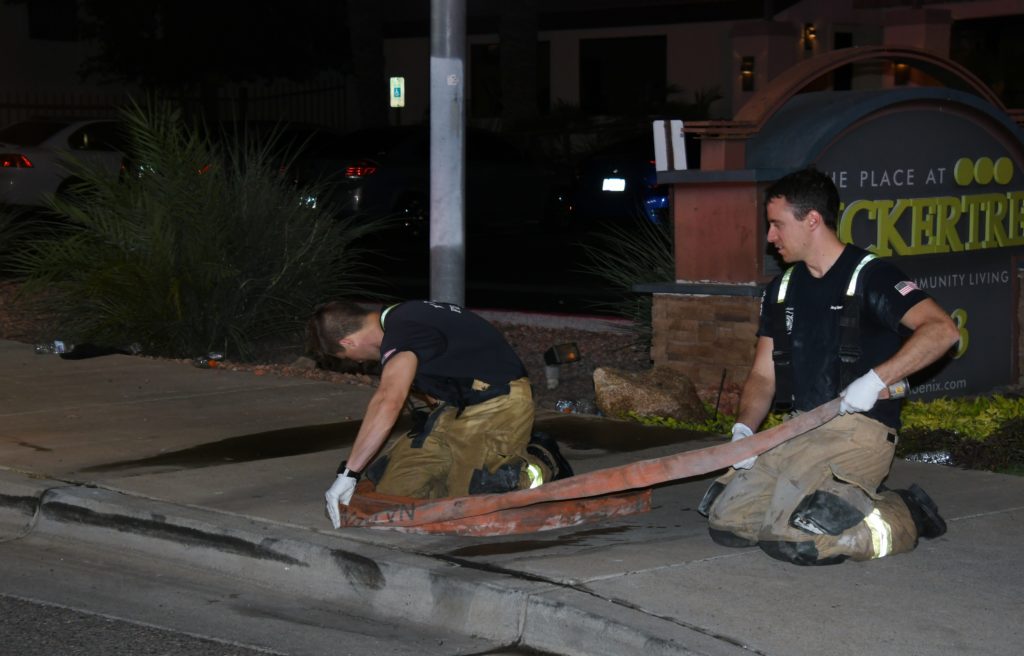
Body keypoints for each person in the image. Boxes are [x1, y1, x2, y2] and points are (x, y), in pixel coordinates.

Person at [698, 167, 961, 565]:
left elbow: (942, 330)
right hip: (800, 428)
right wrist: (745, 431)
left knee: (798, 540)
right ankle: (824, 501)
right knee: (728, 524)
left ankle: (905, 513)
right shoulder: (782, 289)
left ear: (812, 220)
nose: (770, 237)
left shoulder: (872, 276)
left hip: (859, 434)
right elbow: (763, 375)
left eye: (777, 225)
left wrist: (875, 380)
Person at [307, 300, 571, 529]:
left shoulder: (402, 333)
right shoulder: (401, 318)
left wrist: (349, 474)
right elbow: (443, 365)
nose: (358, 362)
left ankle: (540, 461)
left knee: (474, 503)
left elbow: (388, 400)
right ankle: (463, 470)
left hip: (500, 401)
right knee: (395, 491)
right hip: (456, 405)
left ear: (348, 342)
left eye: (350, 356)